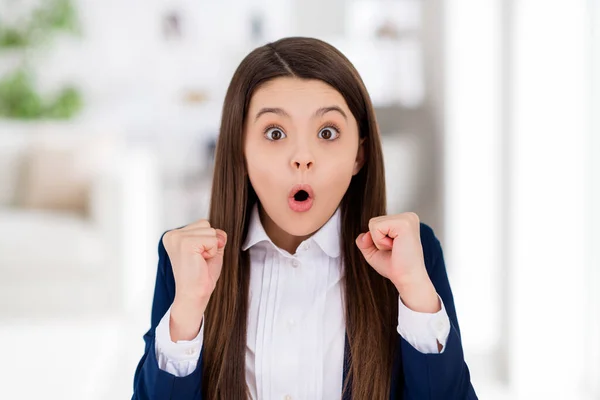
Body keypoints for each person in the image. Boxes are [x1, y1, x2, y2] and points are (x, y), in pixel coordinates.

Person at [132, 36, 478, 400]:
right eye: (275, 133)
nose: (302, 157)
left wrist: (415, 296)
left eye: (327, 133)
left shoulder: (414, 253)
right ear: (240, 149)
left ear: (359, 155)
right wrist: (187, 311)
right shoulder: (186, 260)